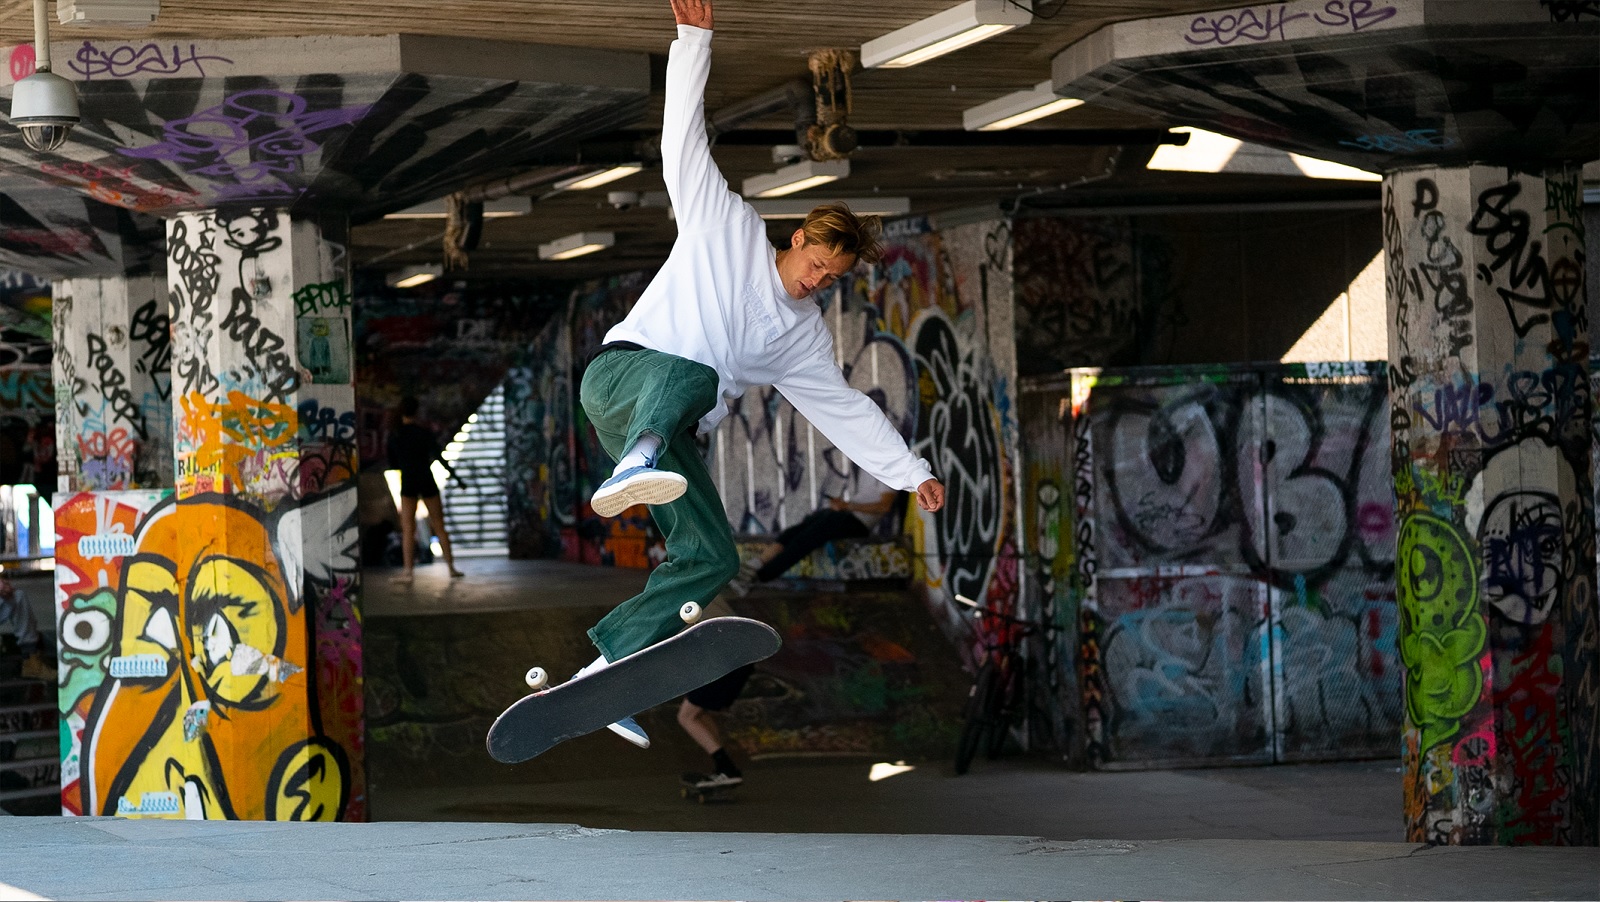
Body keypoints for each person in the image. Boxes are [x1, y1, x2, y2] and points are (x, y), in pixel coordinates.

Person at [569, 0, 946, 751]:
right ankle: (635, 459)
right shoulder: (726, 226)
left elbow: (842, 408)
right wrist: (693, 43)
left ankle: (604, 672)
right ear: (797, 237)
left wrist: (911, 473)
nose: (816, 282)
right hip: (619, 380)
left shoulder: (800, 338)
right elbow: (682, 142)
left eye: (831, 278)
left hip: (669, 438)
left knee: (711, 556)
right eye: (815, 264)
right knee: (696, 375)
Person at [727, 467, 898, 596]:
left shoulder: (887, 471)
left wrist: (847, 506)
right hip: (845, 515)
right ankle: (754, 565)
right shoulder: (869, 468)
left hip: (856, 522)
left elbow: (884, 506)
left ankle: (758, 578)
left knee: (804, 540)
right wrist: (843, 505)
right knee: (793, 532)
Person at [386, 396, 465, 582]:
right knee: (439, 525)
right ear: (416, 412)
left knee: (408, 528)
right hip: (426, 479)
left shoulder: (395, 435)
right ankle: (451, 568)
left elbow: (392, 464)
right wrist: (457, 479)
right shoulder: (423, 433)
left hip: (408, 481)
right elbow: (439, 457)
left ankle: (408, 572)